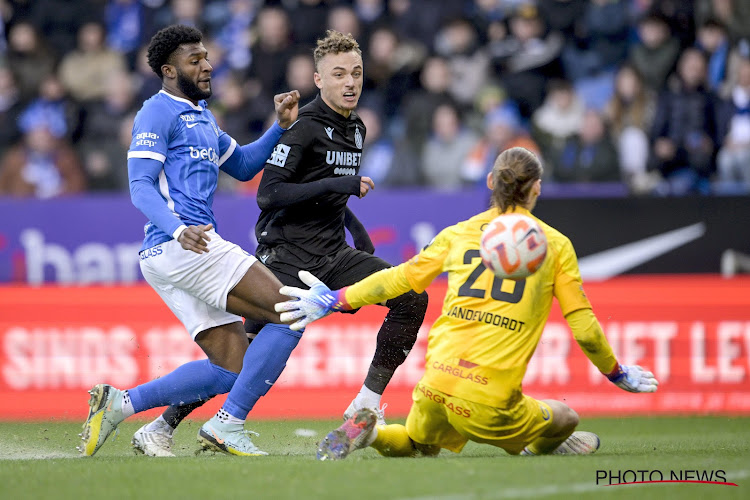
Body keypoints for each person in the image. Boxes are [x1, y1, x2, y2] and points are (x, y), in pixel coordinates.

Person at [135, 30, 428, 455]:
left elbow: (328, 195)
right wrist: (335, 179)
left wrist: (357, 234)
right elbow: (268, 194)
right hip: (287, 256)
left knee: (411, 295)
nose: (350, 82)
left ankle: (366, 405)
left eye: (357, 73)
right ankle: (166, 424)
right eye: (340, 74)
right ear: (319, 79)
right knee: (240, 357)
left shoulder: (356, 127)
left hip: (333, 253)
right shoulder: (305, 127)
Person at [276, 147, 659, 460]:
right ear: (537, 189)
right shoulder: (554, 245)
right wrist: (615, 372)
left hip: (436, 386)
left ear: (491, 182)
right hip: (490, 402)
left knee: (417, 444)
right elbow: (585, 329)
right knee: (567, 418)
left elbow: (395, 280)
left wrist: (335, 298)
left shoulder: (457, 235)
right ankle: (537, 445)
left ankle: (374, 433)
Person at [78, 24, 302, 457]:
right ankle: (228, 425)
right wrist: (180, 229)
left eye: (206, 56)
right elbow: (140, 186)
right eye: (194, 59)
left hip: (174, 253)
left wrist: (278, 128)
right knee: (292, 311)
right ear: (168, 70)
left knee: (233, 367)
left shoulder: (201, 116)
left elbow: (241, 164)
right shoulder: (156, 113)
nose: (206, 65)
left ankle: (121, 404)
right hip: (183, 245)